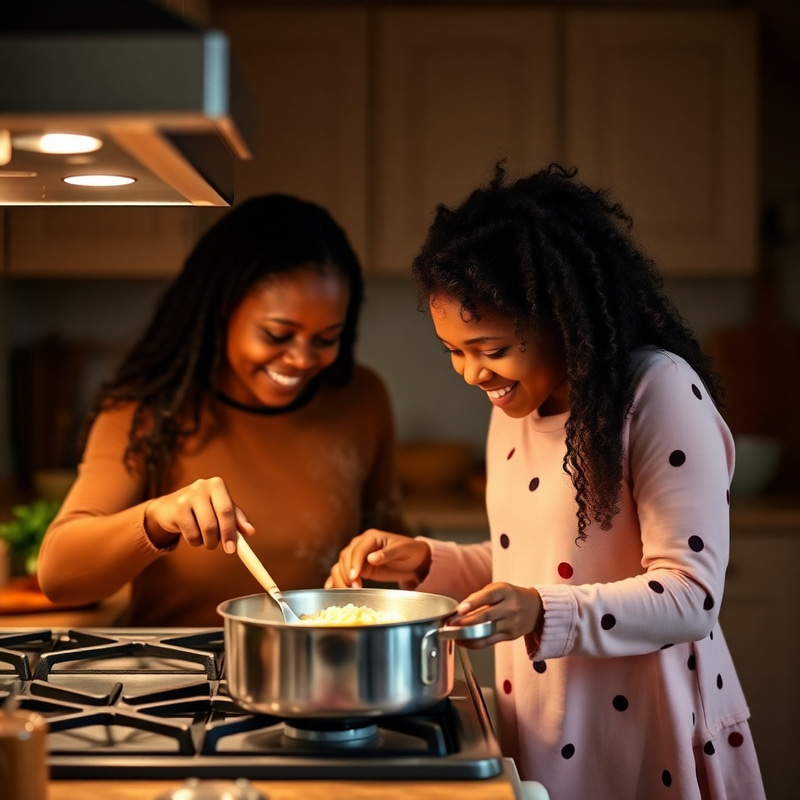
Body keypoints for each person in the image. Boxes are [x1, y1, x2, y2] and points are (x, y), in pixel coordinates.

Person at [326, 163, 765, 800]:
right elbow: (538, 568)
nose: (472, 373)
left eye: (491, 348)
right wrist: (428, 563)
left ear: (565, 317)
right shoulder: (515, 404)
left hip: (647, 733)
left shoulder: (656, 391)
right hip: (539, 720)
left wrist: (538, 610)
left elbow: (690, 597)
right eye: (454, 349)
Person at [37, 193, 408, 627]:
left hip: (320, 678)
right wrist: (158, 518)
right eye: (276, 334)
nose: (303, 359)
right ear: (221, 311)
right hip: (177, 679)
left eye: (326, 339)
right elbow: (59, 575)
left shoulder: (360, 398)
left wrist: (387, 567)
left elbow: (391, 551)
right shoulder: (147, 408)